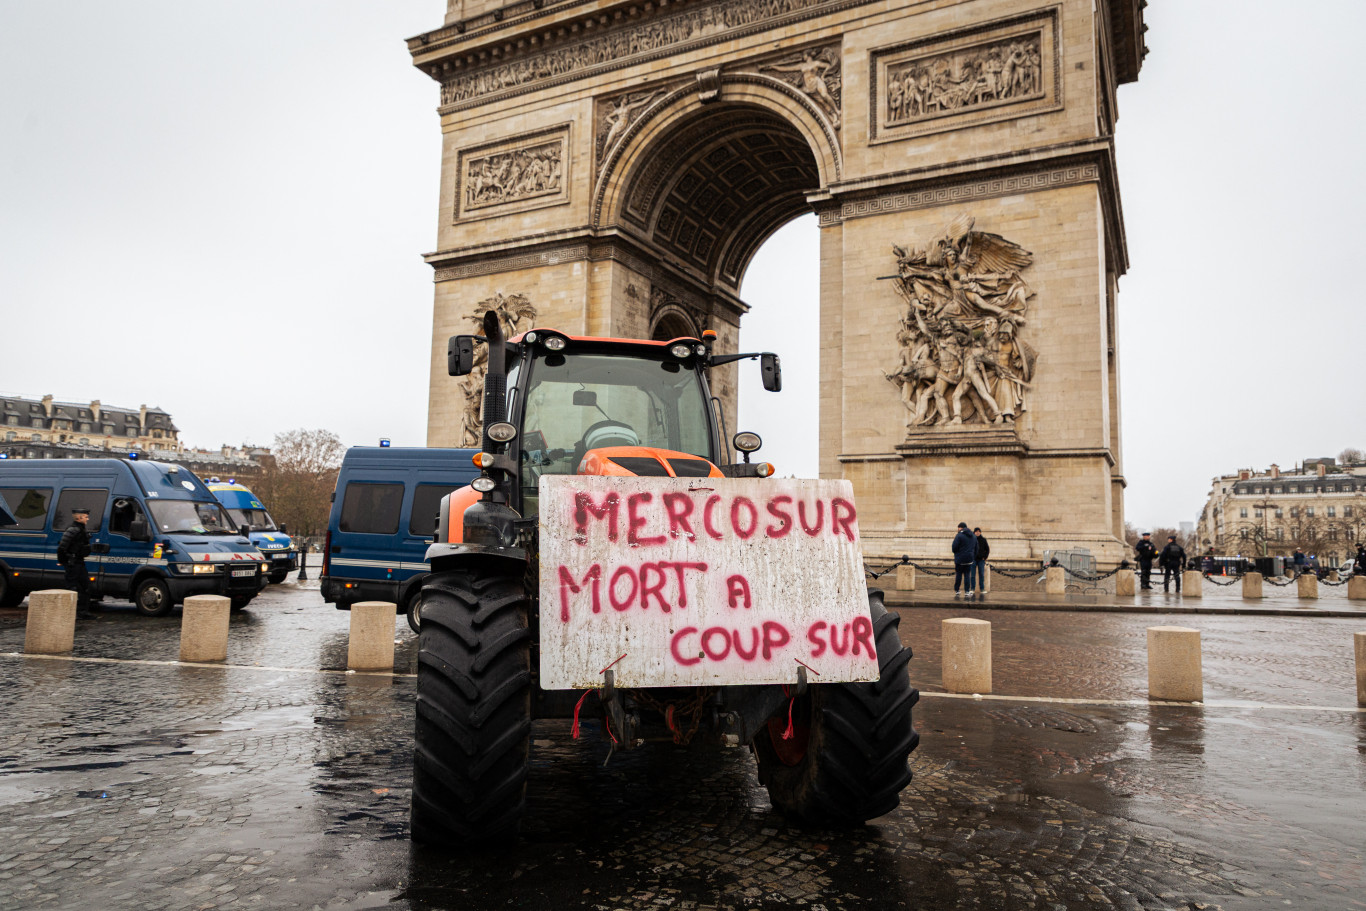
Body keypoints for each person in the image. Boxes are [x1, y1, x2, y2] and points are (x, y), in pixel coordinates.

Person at [56, 506, 93, 615]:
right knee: (72, 588)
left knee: (85, 587)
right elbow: (62, 548)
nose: (88, 519)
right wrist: (64, 561)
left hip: (79, 562)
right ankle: (70, 612)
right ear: (79, 518)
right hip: (73, 563)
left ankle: (82, 612)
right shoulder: (73, 530)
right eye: (86, 517)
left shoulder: (81, 530)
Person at [952, 521, 976, 597]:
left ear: (961, 528)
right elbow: (976, 548)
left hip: (960, 559)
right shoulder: (973, 536)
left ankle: (957, 590)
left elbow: (954, 547)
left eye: (958, 527)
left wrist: (957, 554)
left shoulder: (959, 535)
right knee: (967, 575)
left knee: (959, 575)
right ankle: (967, 591)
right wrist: (972, 556)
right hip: (969, 559)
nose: (958, 529)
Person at [972, 527, 990, 595]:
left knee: (981, 575)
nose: (977, 532)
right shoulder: (971, 540)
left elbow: (987, 549)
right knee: (972, 575)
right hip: (973, 559)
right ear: (974, 532)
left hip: (981, 560)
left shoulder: (983, 540)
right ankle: (972, 589)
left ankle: (982, 589)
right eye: (976, 531)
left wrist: (984, 557)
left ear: (980, 532)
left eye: (979, 531)